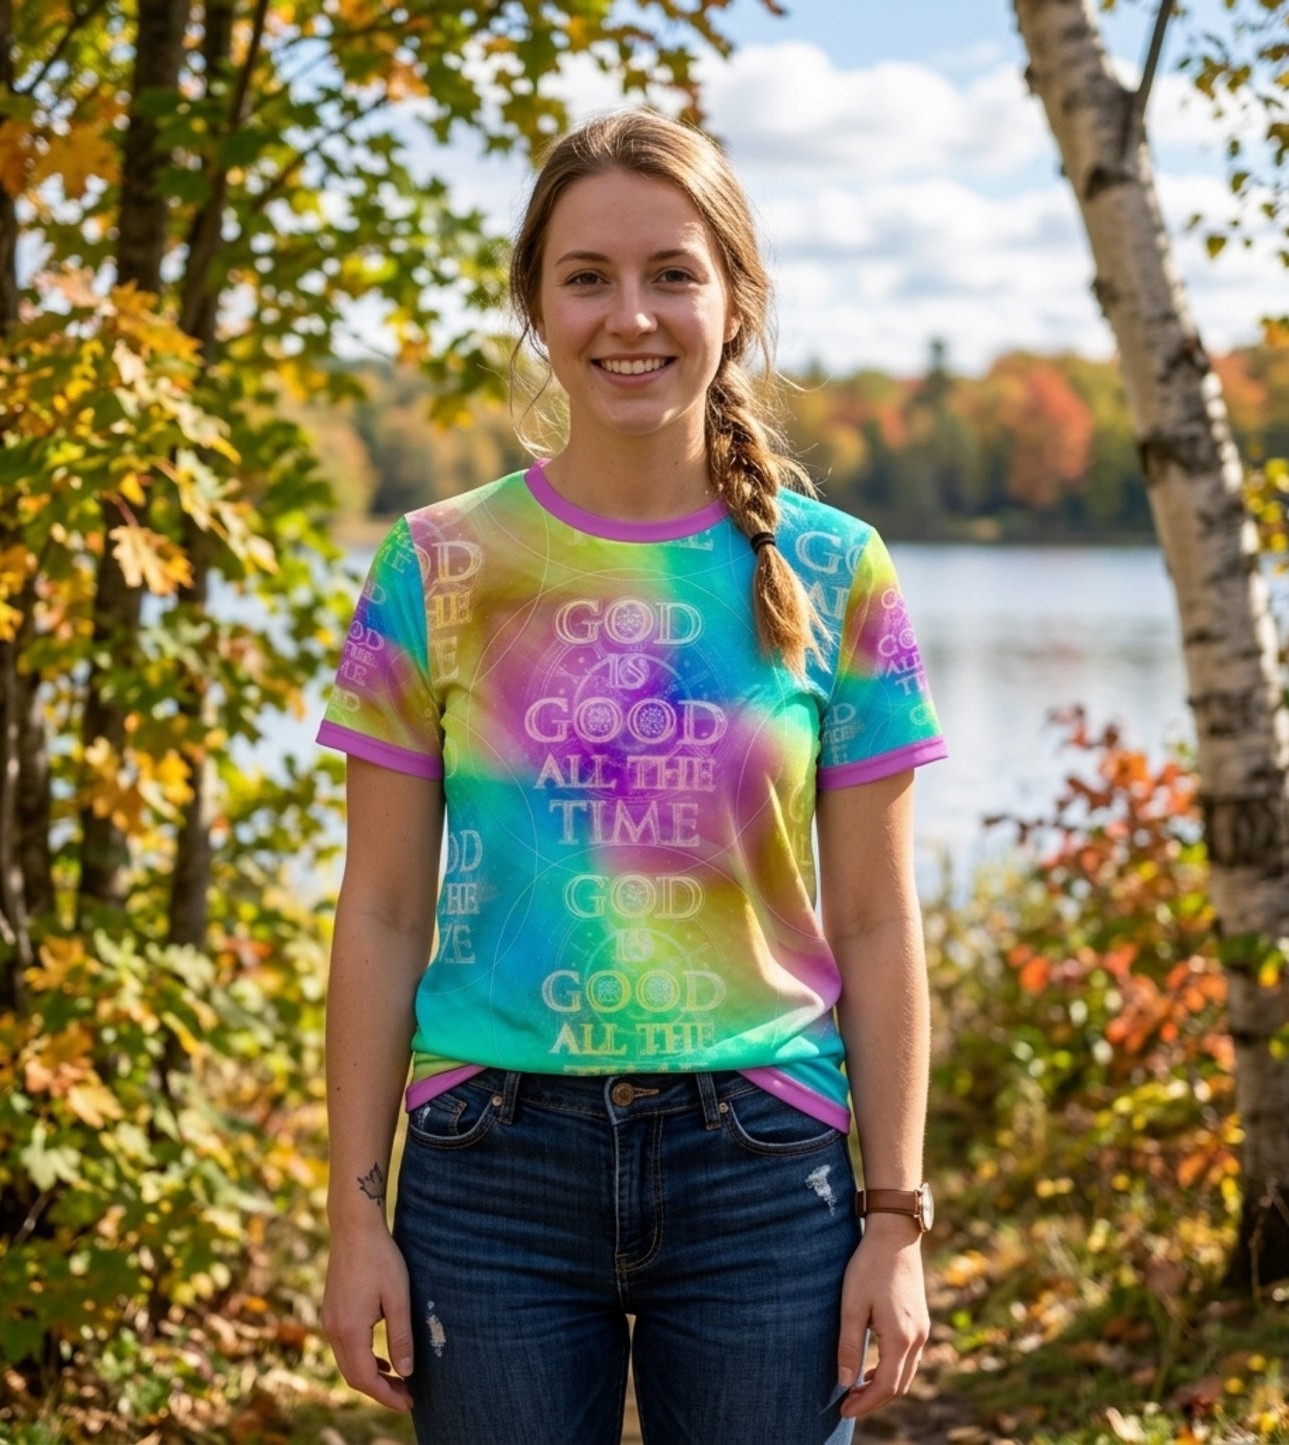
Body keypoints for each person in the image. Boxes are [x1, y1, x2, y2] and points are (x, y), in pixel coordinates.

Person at [317, 108, 947, 1445]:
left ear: (736, 300)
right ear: (536, 306)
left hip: (764, 1167)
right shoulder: (433, 567)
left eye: (672, 272)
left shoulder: (840, 572)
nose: (630, 315)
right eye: (585, 275)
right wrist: (352, 1214)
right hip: (487, 1168)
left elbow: (882, 921)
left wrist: (894, 1217)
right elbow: (377, 911)